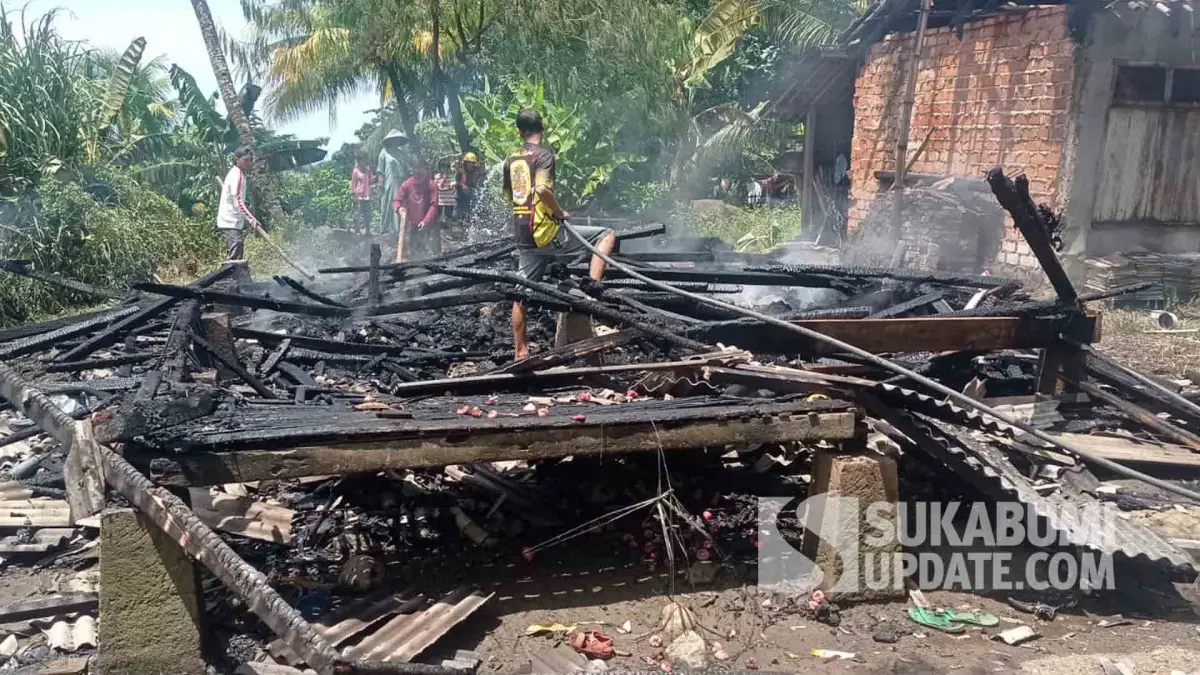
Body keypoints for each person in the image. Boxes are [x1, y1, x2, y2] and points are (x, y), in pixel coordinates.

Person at [502, 108, 616, 360]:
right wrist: (559, 212)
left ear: (519, 132)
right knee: (606, 235)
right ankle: (591, 292)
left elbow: (511, 195)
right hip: (545, 231)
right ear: (542, 128)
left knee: (522, 290)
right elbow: (542, 189)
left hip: (522, 232)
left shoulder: (511, 159)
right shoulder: (544, 155)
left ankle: (520, 350)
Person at [216, 147, 262, 262]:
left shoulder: (237, 173)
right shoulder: (237, 175)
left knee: (236, 252)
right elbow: (238, 202)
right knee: (235, 255)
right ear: (237, 159)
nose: (248, 163)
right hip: (230, 221)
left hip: (232, 221)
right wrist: (251, 219)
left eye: (250, 160)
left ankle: (234, 273)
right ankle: (232, 274)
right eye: (245, 160)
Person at [392, 161, 440, 261]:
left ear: (425, 171)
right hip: (413, 225)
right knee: (414, 252)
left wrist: (425, 221)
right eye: (416, 171)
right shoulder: (406, 184)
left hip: (430, 225)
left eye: (421, 171)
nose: (418, 174)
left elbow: (434, 206)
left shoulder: (431, 185)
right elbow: (396, 201)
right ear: (413, 171)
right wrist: (399, 208)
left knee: (433, 254)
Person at [375, 130, 410, 234]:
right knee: (389, 202)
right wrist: (380, 183)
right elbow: (380, 169)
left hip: (402, 181)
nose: (396, 141)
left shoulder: (402, 153)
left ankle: (401, 227)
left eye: (398, 139)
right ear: (390, 140)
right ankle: (389, 228)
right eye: (394, 139)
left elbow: (406, 169)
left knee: (402, 203)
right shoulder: (384, 152)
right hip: (390, 181)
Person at [457, 151, 483, 217]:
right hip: (460, 195)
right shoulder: (460, 171)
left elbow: (478, 184)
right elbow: (455, 182)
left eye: (472, 163)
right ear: (465, 163)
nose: (470, 164)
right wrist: (462, 185)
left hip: (472, 195)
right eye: (468, 162)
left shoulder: (477, 172)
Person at [350, 156, 373, 232]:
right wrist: (353, 194)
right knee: (358, 212)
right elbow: (353, 183)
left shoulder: (368, 170)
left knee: (367, 213)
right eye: (362, 161)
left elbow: (371, 181)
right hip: (359, 194)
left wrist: (374, 178)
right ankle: (357, 229)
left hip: (367, 194)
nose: (363, 162)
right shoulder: (356, 171)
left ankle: (368, 230)